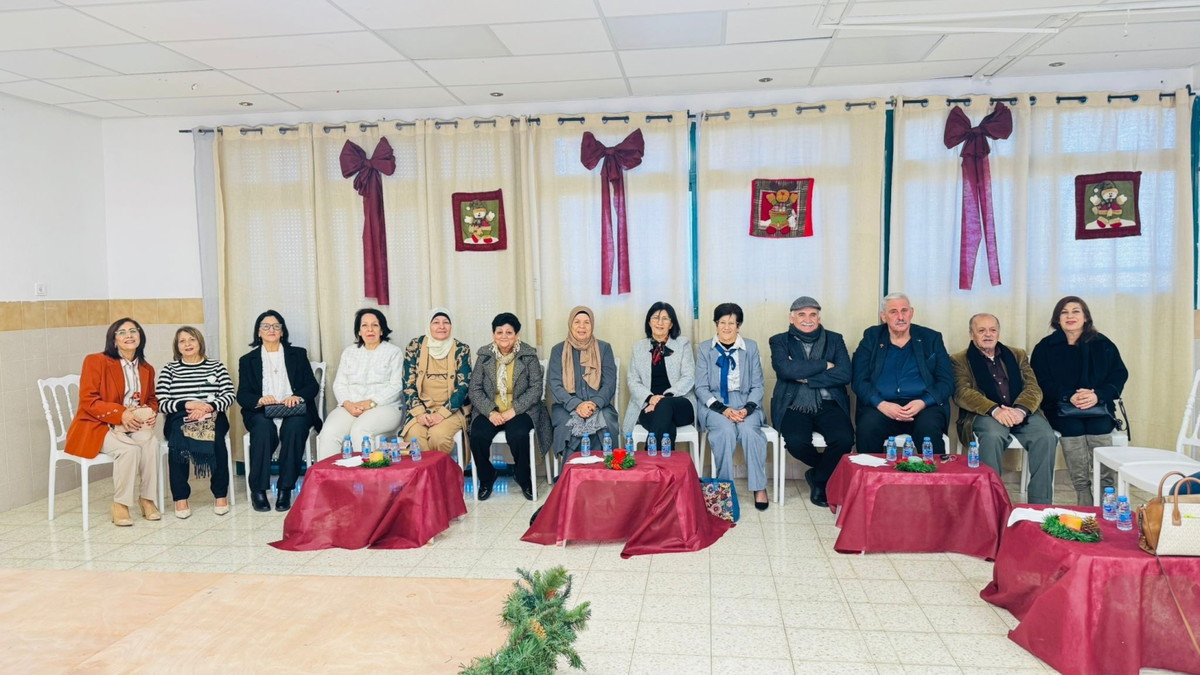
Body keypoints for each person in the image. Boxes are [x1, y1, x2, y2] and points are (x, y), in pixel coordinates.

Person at [1031, 296, 1128, 505]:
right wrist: (1068, 396)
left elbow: (1119, 374)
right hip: (1060, 406)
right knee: (1072, 427)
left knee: (1099, 426)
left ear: (1085, 317)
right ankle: (1083, 492)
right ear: (1057, 319)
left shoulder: (1103, 343)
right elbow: (1040, 380)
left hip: (1097, 405)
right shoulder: (1045, 347)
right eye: (1064, 312)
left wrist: (1097, 395)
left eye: (1076, 311)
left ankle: (1106, 492)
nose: (1070, 316)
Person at [952, 313, 1058, 504]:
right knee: (993, 436)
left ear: (998, 333)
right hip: (984, 414)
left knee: (1046, 437)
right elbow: (962, 393)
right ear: (971, 334)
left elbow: (1033, 387)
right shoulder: (959, 359)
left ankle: (1040, 504)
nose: (988, 334)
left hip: (1021, 411)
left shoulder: (1017, 355)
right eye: (981, 330)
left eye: (992, 330)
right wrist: (995, 410)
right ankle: (991, 502)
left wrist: (1020, 410)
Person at [66, 318, 161, 526]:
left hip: (132, 424)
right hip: (97, 425)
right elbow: (88, 400)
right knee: (129, 451)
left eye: (133, 331)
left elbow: (152, 399)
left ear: (140, 336)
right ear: (114, 340)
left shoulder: (146, 368)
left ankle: (147, 499)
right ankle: (120, 504)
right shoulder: (96, 361)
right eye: (122, 332)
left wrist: (151, 411)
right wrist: (121, 413)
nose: (129, 335)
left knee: (151, 443)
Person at [768, 296, 854, 507]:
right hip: (793, 404)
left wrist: (807, 377)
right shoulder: (779, 341)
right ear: (791, 318)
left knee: (844, 440)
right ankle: (825, 471)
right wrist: (825, 365)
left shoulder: (835, 339)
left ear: (819, 317)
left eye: (813, 314)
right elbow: (786, 370)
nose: (808, 319)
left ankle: (819, 479)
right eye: (802, 314)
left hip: (830, 403)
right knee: (796, 442)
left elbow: (845, 374)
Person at [237, 310, 322, 513]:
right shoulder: (247, 360)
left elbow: (312, 386)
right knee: (262, 429)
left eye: (276, 326)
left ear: (282, 331)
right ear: (258, 332)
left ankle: (285, 488)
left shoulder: (298, 354)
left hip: (294, 409)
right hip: (262, 411)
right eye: (266, 326)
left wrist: (297, 396)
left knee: (295, 427)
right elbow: (242, 394)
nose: (271, 330)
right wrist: (259, 400)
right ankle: (258, 490)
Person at [852, 292, 954, 456]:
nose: (900, 317)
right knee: (868, 427)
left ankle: (934, 473)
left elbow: (947, 382)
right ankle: (872, 473)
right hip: (882, 407)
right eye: (893, 312)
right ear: (884, 316)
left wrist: (923, 402)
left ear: (911, 313)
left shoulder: (931, 338)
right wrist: (881, 404)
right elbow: (859, 380)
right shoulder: (872, 337)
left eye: (904, 311)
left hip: (923, 407)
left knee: (928, 428)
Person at [467, 313, 552, 501]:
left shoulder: (528, 355)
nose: (504, 336)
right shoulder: (484, 356)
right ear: (493, 335)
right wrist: (490, 412)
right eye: (499, 332)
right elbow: (475, 389)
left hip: (521, 410)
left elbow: (536, 389)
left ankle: (523, 478)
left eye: (509, 332)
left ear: (517, 335)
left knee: (518, 434)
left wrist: (513, 410)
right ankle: (487, 477)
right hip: (491, 410)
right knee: (478, 435)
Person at [696, 303, 770, 511]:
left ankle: (759, 487)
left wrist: (747, 409)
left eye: (732, 323)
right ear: (716, 324)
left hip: (746, 401)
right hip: (715, 403)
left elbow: (758, 385)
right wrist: (723, 409)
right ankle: (724, 488)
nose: (726, 327)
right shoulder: (704, 348)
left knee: (749, 431)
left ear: (739, 326)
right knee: (725, 431)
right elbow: (701, 387)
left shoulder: (750, 347)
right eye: (722, 322)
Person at [156, 326, 235, 518]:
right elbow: (161, 402)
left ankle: (220, 494)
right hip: (180, 417)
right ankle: (181, 497)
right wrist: (188, 404)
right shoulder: (169, 369)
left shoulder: (216, 367)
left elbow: (229, 395)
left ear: (200, 342)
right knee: (178, 440)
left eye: (192, 339)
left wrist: (207, 407)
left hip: (212, 415)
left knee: (216, 438)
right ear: (177, 346)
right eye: (182, 341)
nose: (188, 344)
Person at [316, 309, 404, 460]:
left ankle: (365, 473)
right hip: (350, 407)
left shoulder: (393, 352)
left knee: (360, 431)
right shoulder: (349, 352)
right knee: (329, 433)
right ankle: (329, 475)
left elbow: (396, 386)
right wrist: (348, 404)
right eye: (364, 325)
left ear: (382, 330)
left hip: (384, 407)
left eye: (375, 325)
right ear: (359, 331)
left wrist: (371, 402)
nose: (370, 329)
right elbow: (339, 384)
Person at [547, 306, 620, 459]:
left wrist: (594, 403)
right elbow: (555, 384)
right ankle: (572, 471)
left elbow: (609, 383)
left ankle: (604, 469)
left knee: (606, 422)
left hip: (599, 405)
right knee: (568, 425)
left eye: (587, 322)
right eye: (577, 322)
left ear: (592, 325)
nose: (582, 327)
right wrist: (576, 405)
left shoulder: (604, 348)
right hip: (566, 406)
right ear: (570, 324)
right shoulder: (558, 350)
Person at [623, 302, 695, 445]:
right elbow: (633, 381)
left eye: (665, 319)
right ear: (649, 322)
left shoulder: (682, 344)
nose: (660, 323)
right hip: (648, 404)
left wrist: (663, 399)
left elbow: (689, 376)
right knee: (666, 427)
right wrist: (650, 398)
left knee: (665, 405)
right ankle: (661, 459)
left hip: (679, 403)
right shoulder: (638, 348)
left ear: (671, 324)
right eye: (655, 318)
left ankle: (650, 457)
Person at [400, 308, 472, 454]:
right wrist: (420, 413)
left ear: (451, 326)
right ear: (429, 325)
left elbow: (463, 387)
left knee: (438, 436)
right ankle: (428, 469)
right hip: (421, 408)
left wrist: (441, 414)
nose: (441, 326)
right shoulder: (415, 346)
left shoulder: (461, 349)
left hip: (452, 410)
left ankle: (439, 469)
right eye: (436, 322)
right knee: (415, 435)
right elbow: (408, 384)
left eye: (446, 322)